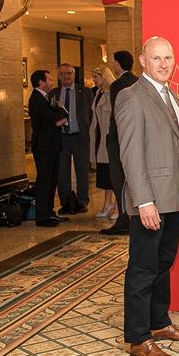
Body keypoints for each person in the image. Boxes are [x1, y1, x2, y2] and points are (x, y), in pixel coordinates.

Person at [115, 36, 179, 356]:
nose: (164, 64)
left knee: (163, 265)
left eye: (169, 57)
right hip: (150, 201)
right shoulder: (131, 97)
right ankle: (138, 338)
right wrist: (144, 201)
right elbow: (131, 154)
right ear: (143, 61)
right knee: (142, 269)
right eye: (157, 58)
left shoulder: (172, 96)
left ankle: (158, 322)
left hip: (173, 198)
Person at [49, 63, 93, 214]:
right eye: (62, 74)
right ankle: (65, 202)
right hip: (61, 138)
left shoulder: (85, 92)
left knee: (82, 170)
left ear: (73, 75)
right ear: (58, 76)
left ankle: (82, 202)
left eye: (68, 73)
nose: (65, 76)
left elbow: (92, 115)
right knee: (62, 172)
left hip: (80, 136)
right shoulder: (53, 93)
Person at [102, 50, 137, 235]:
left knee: (119, 180)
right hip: (136, 138)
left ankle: (124, 219)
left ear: (118, 64)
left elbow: (118, 114)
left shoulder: (118, 85)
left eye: (112, 62)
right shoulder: (138, 82)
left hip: (119, 138)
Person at [28, 70, 68, 227]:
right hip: (44, 147)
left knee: (52, 180)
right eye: (49, 79)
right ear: (40, 82)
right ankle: (42, 216)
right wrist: (60, 109)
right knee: (44, 181)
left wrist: (59, 111)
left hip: (52, 146)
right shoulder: (37, 99)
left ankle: (50, 212)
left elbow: (61, 118)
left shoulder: (46, 98)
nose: (52, 82)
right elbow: (56, 119)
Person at [89, 66, 118, 220]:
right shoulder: (97, 93)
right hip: (99, 136)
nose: (94, 80)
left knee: (113, 174)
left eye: (96, 77)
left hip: (109, 137)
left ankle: (117, 206)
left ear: (104, 77)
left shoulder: (111, 93)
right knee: (105, 174)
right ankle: (107, 203)